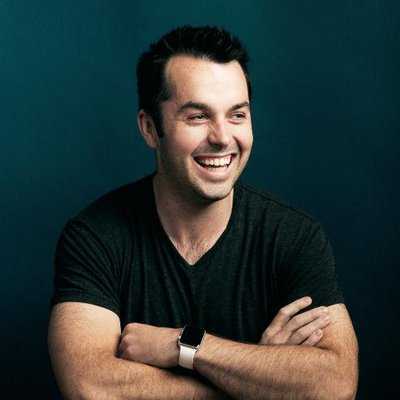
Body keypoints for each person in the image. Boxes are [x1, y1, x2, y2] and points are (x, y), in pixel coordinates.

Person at [48, 25, 358, 399]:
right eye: (198, 117)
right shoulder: (96, 237)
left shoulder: (293, 237)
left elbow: (336, 385)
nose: (222, 137)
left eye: (237, 115)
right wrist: (258, 379)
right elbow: (90, 387)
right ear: (150, 128)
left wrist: (186, 345)